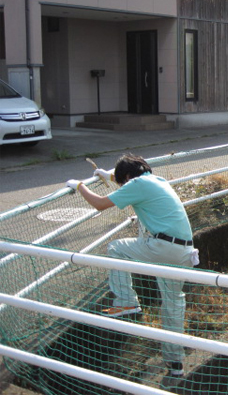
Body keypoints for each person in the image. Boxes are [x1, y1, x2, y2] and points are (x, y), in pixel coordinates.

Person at [65, 154, 199, 378]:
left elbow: (99, 204)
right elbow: (125, 185)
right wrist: (106, 174)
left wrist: (79, 186)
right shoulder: (156, 181)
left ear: (128, 176)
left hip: (162, 248)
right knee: (173, 305)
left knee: (115, 248)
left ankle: (126, 302)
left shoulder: (137, 184)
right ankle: (175, 364)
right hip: (184, 252)